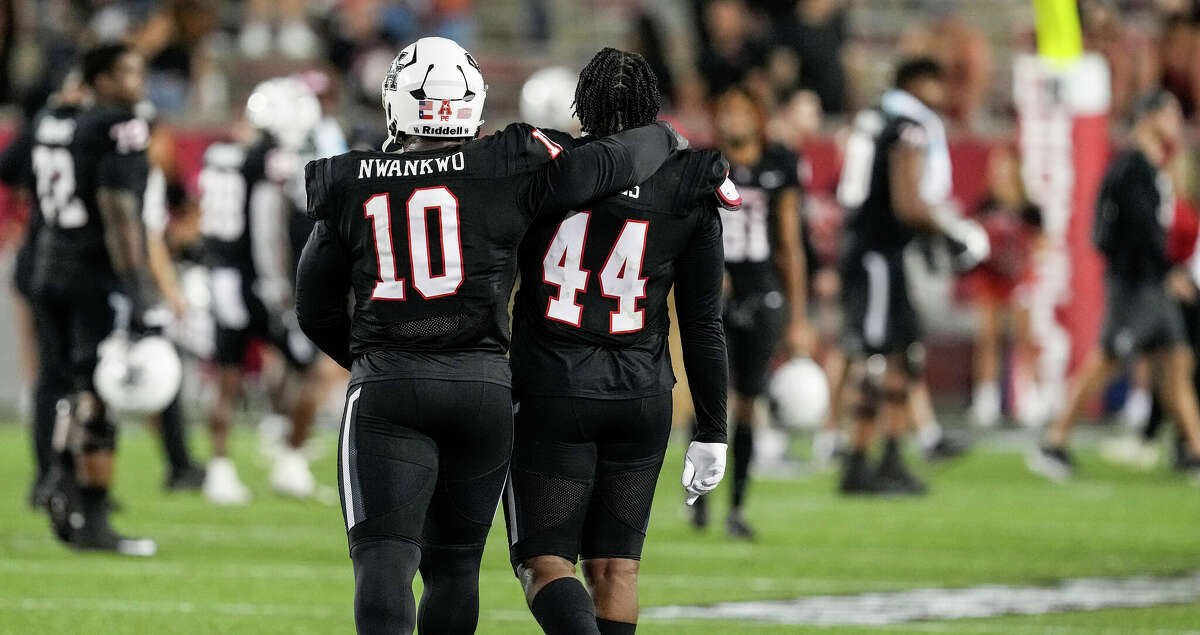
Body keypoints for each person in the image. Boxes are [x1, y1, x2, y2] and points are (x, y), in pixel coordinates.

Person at [295, 37, 686, 635]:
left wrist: (380, 362)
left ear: (396, 100)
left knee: (386, 561)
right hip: (482, 389)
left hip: (390, 386)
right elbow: (611, 164)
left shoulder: (352, 179)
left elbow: (313, 306)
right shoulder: (510, 160)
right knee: (455, 572)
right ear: (473, 101)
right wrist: (666, 135)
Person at [504, 48, 733, 635]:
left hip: (554, 388)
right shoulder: (691, 181)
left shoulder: (545, 166)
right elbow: (703, 322)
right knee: (616, 572)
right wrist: (711, 428)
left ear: (583, 105)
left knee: (544, 562)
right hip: (642, 396)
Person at [835, 58, 988, 494]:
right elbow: (907, 204)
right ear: (919, 82)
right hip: (879, 253)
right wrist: (951, 233)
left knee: (901, 356)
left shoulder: (877, 119)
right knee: (879, 359)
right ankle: (862, 461)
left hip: (877, 251)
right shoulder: (908, 126)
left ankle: (886, 458)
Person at [1031, 90, 1200, 481]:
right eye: (1170, 115)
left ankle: (1193, 449)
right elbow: (1130, 233)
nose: (1176, 124)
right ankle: (1053, 442)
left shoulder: (1152, 168)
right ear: (1149, 117)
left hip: (1152, 283)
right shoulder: (1131, 169)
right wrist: (1165, 269)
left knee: (1177, 361)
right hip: (1134, 285)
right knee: (1106, 360)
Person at [35, 43, 157, 554]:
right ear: (100, 78)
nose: (137, 81)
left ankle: (59, 483)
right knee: (100, 395)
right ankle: (94, 518)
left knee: (72, 387)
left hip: (50, 263)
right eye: (126, 70)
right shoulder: (119, 124)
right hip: (93, 276)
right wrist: (140, 292)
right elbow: (120, 214)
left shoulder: (57, 119)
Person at [198, 77, 327, 505]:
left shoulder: (220, 153)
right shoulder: (268, 158)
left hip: (220, 277)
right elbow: (267, 226)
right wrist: (280, 288)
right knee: (312, 368)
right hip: (257, 280)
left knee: (228, 377)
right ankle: (289, 459)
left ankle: (220, 469)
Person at [690, 86, 808, 538]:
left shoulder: (779, 166)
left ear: (758, 117)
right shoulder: (704, 166)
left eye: (742, 111)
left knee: (747, 401)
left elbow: (790, 244)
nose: (734, 119)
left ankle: (736, 506)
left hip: (761, 293)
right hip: (712, 295)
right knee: (708, 401)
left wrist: (798, 316)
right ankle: (699, 494)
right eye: (727, 110)